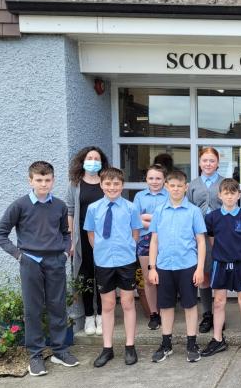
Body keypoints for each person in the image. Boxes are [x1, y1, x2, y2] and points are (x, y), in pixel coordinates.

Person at [0, 161, 76, 376]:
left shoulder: (59, 206)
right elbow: (0, 233)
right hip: (30, 262)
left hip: (55, 262)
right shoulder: (19, 205)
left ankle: (59, 351)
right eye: (39, 180)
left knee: (58, 306)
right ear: (30, 180)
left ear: (53, 180)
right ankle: (36, 355)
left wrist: (65, 253)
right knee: (33, 309)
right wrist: (19, 255)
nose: (43, 184)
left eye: (47, 180)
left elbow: (65, 233)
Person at [83, 167, 143, 367]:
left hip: (126, 261)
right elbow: (91, 234)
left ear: (122, 185)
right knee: (107, 305)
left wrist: (129, 248)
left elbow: (135, 232)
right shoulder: (93, 208)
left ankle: (130, 346)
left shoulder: (130, 207)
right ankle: (107, 348)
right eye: (108, 183)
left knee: (127, 302)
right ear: (101, 185)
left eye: (116, 183)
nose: (112, 187)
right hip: (104, 262)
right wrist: (101, 251)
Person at [147, 169, 207, 364]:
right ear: (166, 186)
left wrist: (199, 268)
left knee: (190, 305)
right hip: (164, 266)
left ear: (186, 187)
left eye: (179, 186)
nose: (175, 189)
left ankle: (192, 343)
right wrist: (152, 267)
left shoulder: (193, 211)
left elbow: (201, 241)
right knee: (165, 306)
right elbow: (154, 241)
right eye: (172, 186)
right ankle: (166, 344)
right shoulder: (159, 211)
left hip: (187, 265)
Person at [201, 178, 241, 358]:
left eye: (233, 193)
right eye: (226, 193)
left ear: (239, 195)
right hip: (220, 264)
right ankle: (218, 339)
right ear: (219, 195)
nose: (229, 197)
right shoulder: (212, 217)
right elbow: (212, 239)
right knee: (219, 302)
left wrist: (236, 252)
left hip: (240, 264)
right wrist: (224, 253)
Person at [65, 145, 109, 337]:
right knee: (85, 276)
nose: (93, 161)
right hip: (82, 238)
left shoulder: (106, 182)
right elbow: (70, 211)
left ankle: (102, 315)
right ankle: (89, 316)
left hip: (103, 237)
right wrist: (71, 239)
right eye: (89, 158)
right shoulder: (75, 185)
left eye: (96, 158)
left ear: (102, 162)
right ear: (82, 161)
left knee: (102, 275)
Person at [187, 147, 224, 335]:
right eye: (205, 160)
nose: (208, 164)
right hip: (200, 235)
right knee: (205, 274)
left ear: (217, 163)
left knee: (220, 275)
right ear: (199, 162)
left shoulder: (225, 183)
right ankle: (207, 314)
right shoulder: (192, 185)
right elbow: (188, 209)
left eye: (212, 160)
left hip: (221, 234)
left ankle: (220, 314)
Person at [132, 164, 168, 331]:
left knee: (165, 278)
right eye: (151, 178)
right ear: (146, 179)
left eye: (158, 178)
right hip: (145, 241)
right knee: (149, 279)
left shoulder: (170, 195)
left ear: (164, 180)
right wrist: (156, 220)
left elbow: (171, 219)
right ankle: (154, 314)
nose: (154, 181)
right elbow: (135, 220)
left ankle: (166, 311)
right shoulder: (139, 196)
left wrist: (147, 217)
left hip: (166, 240)